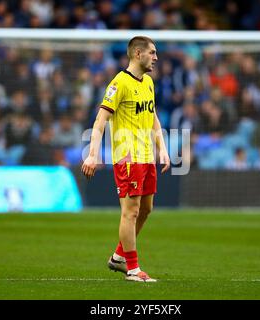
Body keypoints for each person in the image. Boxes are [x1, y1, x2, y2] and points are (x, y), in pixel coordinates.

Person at [81, 36, 170, 282]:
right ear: (138, 54)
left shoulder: (149, 83)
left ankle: (119, 257)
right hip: (127, 159)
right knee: (130, 212)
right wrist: (92, 155)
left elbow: (153, 117)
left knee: (146, 209)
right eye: (152, 53)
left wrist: (162, 148)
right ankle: (132, 268)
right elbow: (100, 121)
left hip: (147, 157)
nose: (156, 57)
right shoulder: (119, 83)